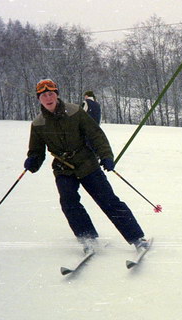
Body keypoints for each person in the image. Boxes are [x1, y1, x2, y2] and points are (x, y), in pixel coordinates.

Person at [23, 79, 149, 254]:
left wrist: (106, 156)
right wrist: (32, 161)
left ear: (57, 95)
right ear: (39, 99)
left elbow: (95, 135)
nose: (48, 97)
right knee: (69, 202)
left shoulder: (75, 112)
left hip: (87, 163)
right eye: (44, 95)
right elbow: (36, 151)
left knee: (108, 201)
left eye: (51, 93)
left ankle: (137, 238)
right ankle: (87, 238)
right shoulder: (38, 124)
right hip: (63, 168)